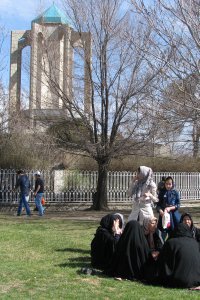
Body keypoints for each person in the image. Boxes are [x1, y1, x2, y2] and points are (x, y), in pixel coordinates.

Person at [157, 223, 200, 288]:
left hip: (180, 280)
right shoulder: (195, 243)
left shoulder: (171, 243)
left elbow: (164, 265)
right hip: (197, 280)